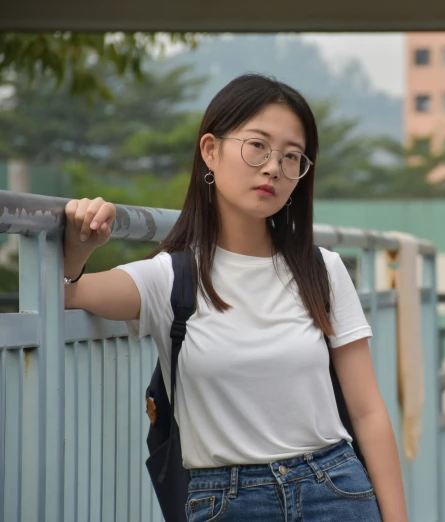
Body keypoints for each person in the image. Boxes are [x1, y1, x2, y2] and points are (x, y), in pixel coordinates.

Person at [63, 73, 408, 521]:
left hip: (335, 489)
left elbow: (367, 413)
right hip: (227, 501)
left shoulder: (322, 270)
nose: (273, 168)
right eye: (258, 146)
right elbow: (67, 295)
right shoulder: (168, 278)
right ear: (211, 150)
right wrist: (80, 245)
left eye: (292, 157)